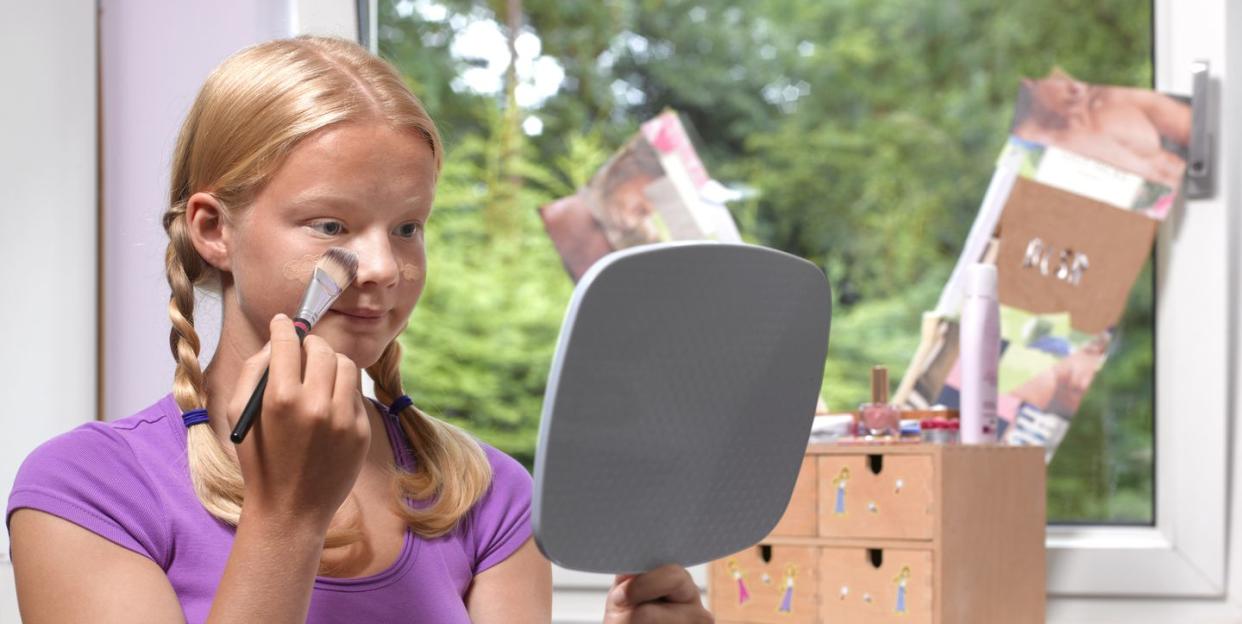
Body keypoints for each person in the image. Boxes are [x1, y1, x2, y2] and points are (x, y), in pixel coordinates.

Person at [6, 36, 710, 624]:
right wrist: (287, 520)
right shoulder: (89, 491)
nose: (382, 267)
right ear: (213, 230)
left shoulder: (488, 496)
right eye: (331, 226)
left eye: (408, 227)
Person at [1011, 68, 1192, 189]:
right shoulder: (1029, 159)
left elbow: (1199, 130)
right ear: (1028, 82)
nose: (1077, 87)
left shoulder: (1114, 99)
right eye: (1058, 80)